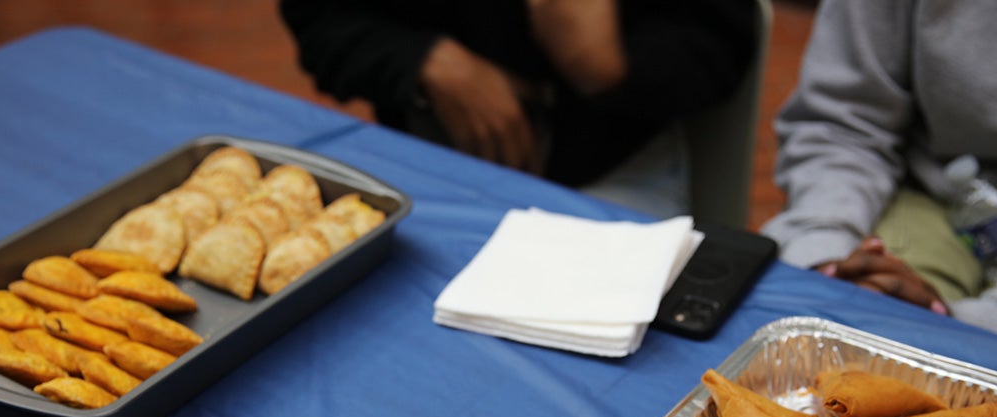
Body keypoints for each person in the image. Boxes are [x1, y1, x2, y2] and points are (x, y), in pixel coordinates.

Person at [279, 0, 756, 219]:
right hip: (430, 158)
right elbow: (320, 18)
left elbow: (727, 39)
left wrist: (607, 68)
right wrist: (424, 61)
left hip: (613, 165)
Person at [761, 0, 997, 328]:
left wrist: (959, 325)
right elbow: (843, 122)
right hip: (931, 194)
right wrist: (825, 254)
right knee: (864, 321)